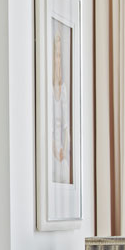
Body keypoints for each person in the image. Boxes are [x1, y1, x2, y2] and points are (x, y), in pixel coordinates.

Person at [51, 23, 71, 184]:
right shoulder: (48, 91)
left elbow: (66, 127)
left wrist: (64, 147)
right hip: (51, 151)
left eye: (59, 55)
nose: (58, 61)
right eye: (55, 56)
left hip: (61, 151)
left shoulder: (63, 90)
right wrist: (54, 150)